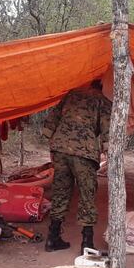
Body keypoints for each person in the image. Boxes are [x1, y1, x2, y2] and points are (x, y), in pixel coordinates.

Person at [42, 79, 111, 253]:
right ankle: (86, 243)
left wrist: (53, 141)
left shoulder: (70, 95)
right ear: (101, 86)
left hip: (60, 150)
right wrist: (109, 152)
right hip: (84, 152)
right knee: (87, 194)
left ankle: (52, 238)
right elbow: (107, 130)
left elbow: (51, 121)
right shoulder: (102, 101)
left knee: (60, 191)